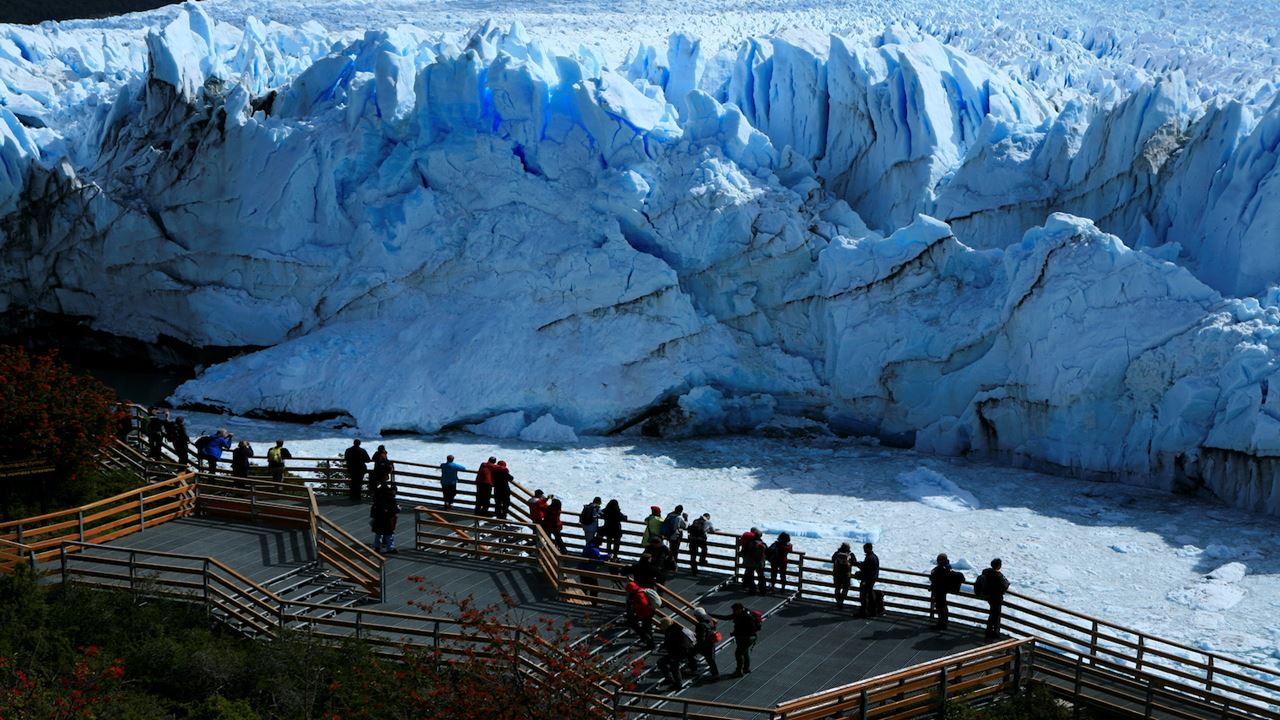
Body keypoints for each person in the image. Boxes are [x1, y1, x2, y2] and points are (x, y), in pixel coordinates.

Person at [712, 602, 760, 677]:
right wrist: (711, 615)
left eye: (734, 610)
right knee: (745, 652)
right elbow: (726, 617)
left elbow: (748, 628)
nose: (733, 612)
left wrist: (738, 632)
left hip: (746, 638)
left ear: (739, 609)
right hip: (749, 637)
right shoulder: (745, 613)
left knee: (738, 653)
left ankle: (739, 671)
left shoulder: (745, 616)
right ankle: (746, 669)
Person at [975, 558, 1010, 639]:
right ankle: (993, 633)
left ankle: (989, 631)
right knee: (995, 615)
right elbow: (1005, 585)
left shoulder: (986, 572)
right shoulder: (998, 576)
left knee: (992, 614)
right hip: (996, 598)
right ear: (999, 566)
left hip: (988, 597)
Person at [657, 617, 695, 688]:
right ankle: (669, 679)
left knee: (674, 666)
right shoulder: (675, 629)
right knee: (662, 662)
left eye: (661, 625)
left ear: (665, 625)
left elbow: (674, 643)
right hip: (683, 650)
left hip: (680, 651)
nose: (660, 627)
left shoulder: (671, 632)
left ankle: (678, 684)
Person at [369, 482, 401, 553]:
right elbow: (394, 510)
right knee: (389, 534)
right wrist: (398, 508)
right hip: (387, 519)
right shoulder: (392, 499)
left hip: (378, 518)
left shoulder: (380, 497)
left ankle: (377, 547)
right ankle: (390, 548)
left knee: (378, 533)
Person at [624, 581, 656, 649]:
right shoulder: (640, 590)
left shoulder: (639, 594)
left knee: (647, 629)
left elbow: (644, 604)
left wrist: (634, 605)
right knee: (634, 624)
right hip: (646, 613)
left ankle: (651, 644)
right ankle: (645, 638)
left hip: (645, 614)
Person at [691, 607, 720, 681]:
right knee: (711, 659)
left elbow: (701, 638)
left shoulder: (701, 625)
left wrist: (697, 645)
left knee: (691, 654)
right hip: (711, 643)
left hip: (705, 645)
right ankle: (715, 673)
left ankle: (694, 670)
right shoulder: (710, 620)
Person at [929, 553, 956, 629]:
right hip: (943, 589)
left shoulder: (941, 569)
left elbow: (934, 577)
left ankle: (942, 624)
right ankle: (944, 622)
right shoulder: (947, 567)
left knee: (940, 607)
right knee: (943, 606)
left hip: (939, 590)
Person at [580, 533, 610, 598]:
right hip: (589, 570)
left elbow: (597, 556)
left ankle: (584, 600)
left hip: (582, 569)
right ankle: (593, 602)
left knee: (584, 587)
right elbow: (598, 558)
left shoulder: (589, 546)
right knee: (595, 588)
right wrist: (606, 557)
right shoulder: (594, 550)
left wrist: (606, 556)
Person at [855, 542, 881, 617]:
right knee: (869, 594)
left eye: (865, 548)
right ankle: (872, 611)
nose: (864, 550)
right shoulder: (873, 556)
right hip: (872, 578)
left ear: (868, 548)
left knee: (864, 595)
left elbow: (865, 568)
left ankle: (864, 611)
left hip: (868, 579)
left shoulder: (870, 558)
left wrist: (858, 565)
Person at [739, 529, 766, 594]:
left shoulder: (749, 543)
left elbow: (744, 552)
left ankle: (752, 590)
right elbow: (767, 552)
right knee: (761, 576)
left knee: (751, 576)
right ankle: (763, 590)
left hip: (750, 562)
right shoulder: (762, 543)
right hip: (760, 563)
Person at [831, 543, 854, 609]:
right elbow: (854, 561)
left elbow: (832, 559)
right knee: (845, 588)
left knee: (837, 588)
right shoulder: (850, 554)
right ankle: (841, 601)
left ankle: (838, 601)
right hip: (846, 575)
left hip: (837, 574)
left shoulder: (837, 553)